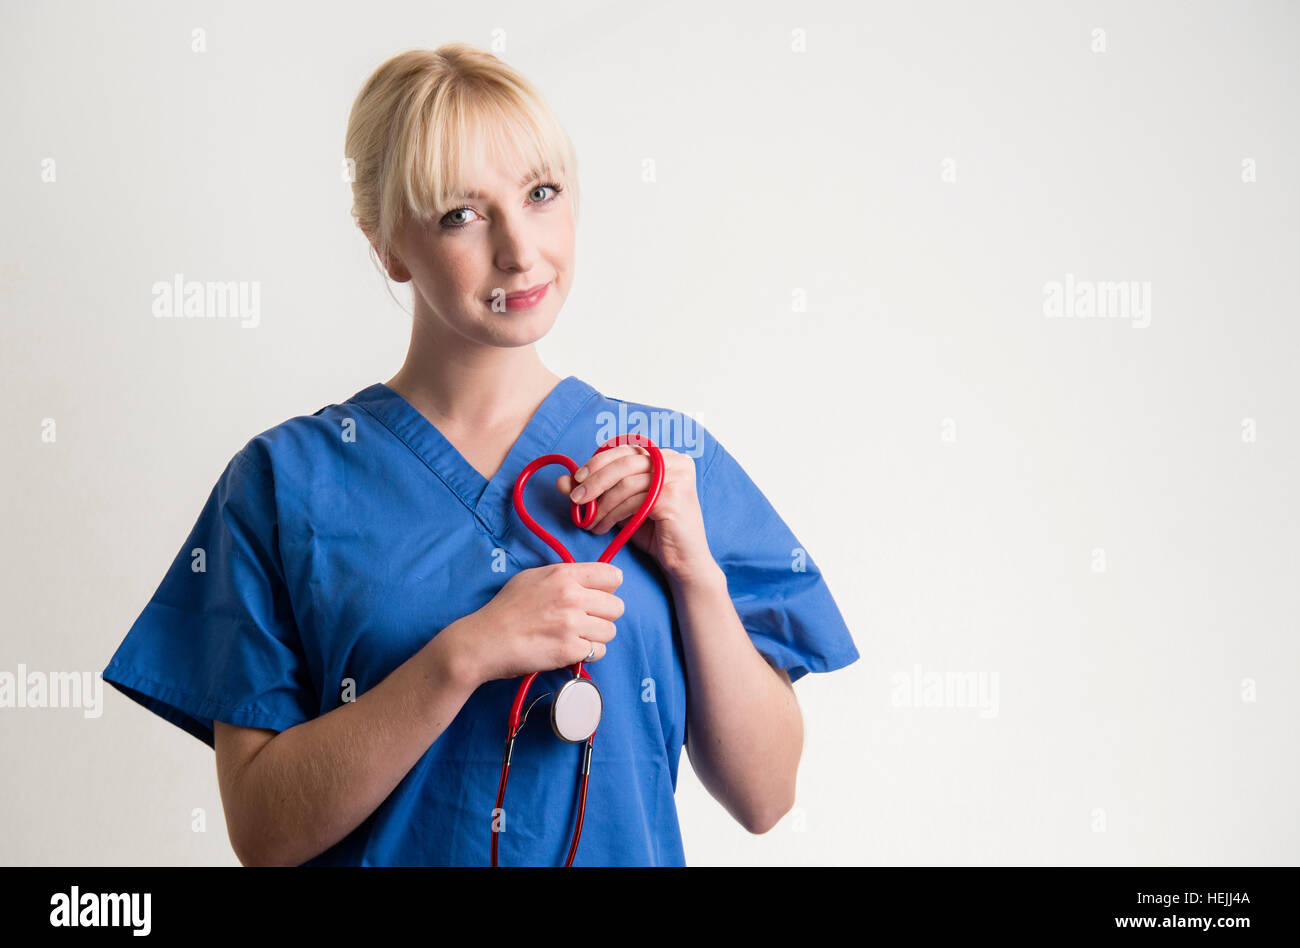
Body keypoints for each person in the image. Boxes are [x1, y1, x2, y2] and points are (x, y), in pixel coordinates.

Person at [102, 43, 859, 866]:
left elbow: (767, 795)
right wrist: (461, 658)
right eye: (461, 214)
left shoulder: (668, 464)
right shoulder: (285, 483)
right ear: (388, 247)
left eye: (541, 195)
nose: (519, 250)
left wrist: (695, 569)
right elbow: (265, 834)